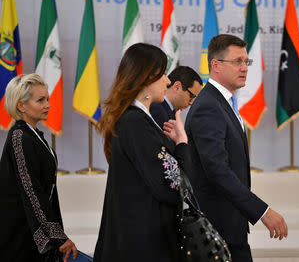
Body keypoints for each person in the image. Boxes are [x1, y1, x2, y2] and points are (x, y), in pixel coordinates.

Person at [185, 34, 288, 262]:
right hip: (216, 230)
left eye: (246, 62)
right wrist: (262, 211)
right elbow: (217, 171)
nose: (244, 68)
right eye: (237, 61)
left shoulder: (223, 102)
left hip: (231, 227)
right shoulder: (209, 107)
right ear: (215, 65)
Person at [94, 43, 189, 262]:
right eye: (163, 74)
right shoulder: (135, 122)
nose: (167, 81)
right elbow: (171, 186)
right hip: (142, 245)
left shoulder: (137, 120)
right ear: (147, 78)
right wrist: (182, 143)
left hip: (141, 239)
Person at [0, 74, 77, 262]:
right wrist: (58, 236)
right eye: (40, 100)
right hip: (19, 232)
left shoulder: (33, 135)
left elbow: (47, 190)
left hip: (32, 228)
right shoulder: (19, 137)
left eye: (47, 99)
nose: (48, 105)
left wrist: (57, 232)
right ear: (21, 105)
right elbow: (31, 190)